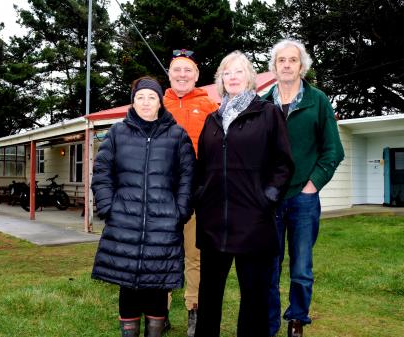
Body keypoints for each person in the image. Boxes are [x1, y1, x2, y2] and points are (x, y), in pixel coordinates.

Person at [194, 51, 294, 337]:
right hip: (214, 224)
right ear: (221, 81)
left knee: (254, 297)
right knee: (210, 295)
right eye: (227, 73)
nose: (233, 77)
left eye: (239, 71)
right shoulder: (212, 120)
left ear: (250, 78)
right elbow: (202, 167)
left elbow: (283, 163)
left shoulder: (267, 113)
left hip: (253, 223)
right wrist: (200, 195)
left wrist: (268, 197)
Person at [91, 76, 196, 337]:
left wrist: (180, 211)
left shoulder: (177, 135)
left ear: (160, 102)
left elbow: (188, 177)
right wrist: (108, 208)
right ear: (133, 101)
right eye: (141, 97)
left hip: (164, 225)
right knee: (127, 285)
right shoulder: (117, 133)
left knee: (157, 285)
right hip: (124, 222)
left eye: (152, 97)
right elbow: (102, 172)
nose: (146, 102)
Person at [263, 39, 344, 337]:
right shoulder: (261, 104)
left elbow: (333, 151)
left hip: (303, 199)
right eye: (281, 60)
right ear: (274, 66)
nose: (286, 65)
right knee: (268, 267)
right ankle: (268, 324)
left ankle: (297, 320)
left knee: (301, 267)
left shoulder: (318, 101)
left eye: (292, 60)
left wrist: (313, 185)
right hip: (269, 200)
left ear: (302, 66)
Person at [163, 48, 219, 337]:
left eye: (188, 70)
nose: (182, 75)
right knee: (163, 253)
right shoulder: (158, 105)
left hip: (197, 193)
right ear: (169, 74)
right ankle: (160, 311)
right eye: (177, 70)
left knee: (194, 254)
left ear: (196, 75)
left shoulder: (209, 105)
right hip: (164, 193)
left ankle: (194, 309)